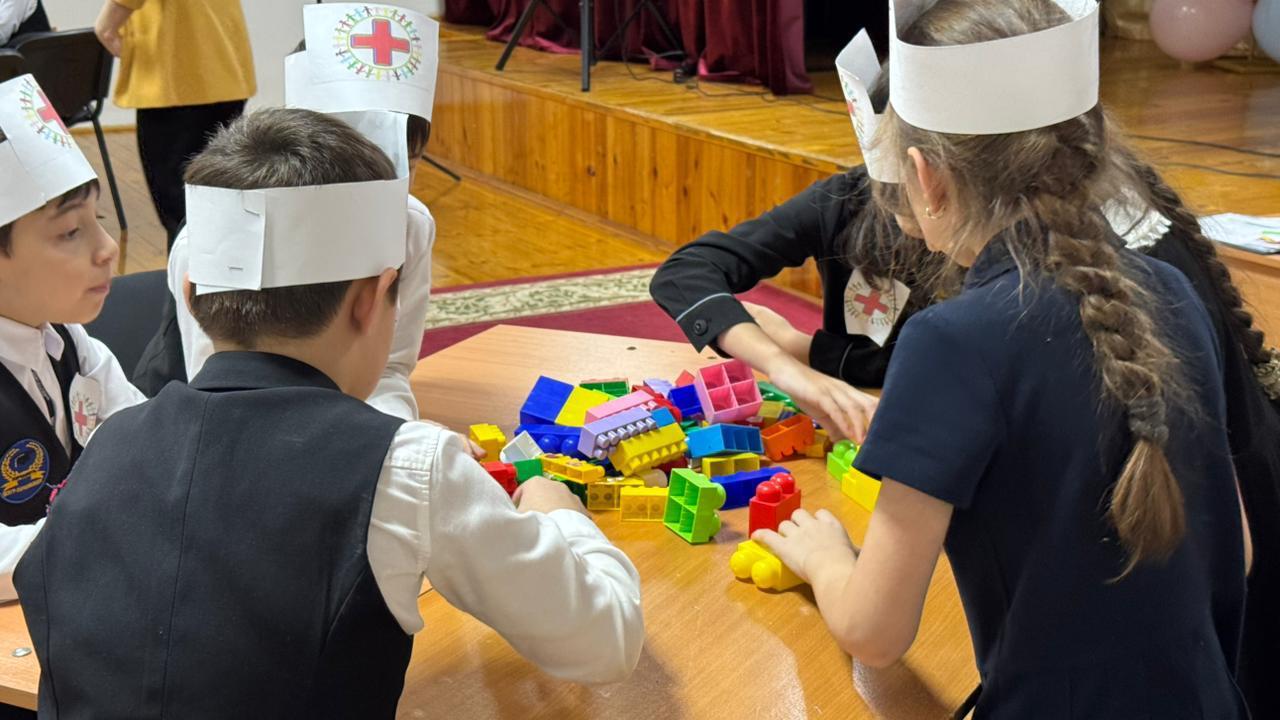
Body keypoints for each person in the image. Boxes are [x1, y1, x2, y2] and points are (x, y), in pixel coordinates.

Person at [14, 108, 644, 718]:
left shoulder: (107, 444)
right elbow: (606, 640)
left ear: (190, 291)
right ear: (372, 300)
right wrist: (561, 513)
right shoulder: (408, 467)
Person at [755, 1, 1252, 716]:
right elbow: (1236, 547)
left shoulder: (951, 341)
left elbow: (874, 631)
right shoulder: (1170, 290)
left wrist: (825, 559)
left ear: (925, 176)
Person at [138, 3, 439, 425]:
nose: (383, 188)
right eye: (360, 172)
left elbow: (390, 370)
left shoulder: (410, 224)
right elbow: (218, 391)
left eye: (406, 165)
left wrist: (390, 438)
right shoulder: (219, 238)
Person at [0, 74, 143, 600]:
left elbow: (148, 447)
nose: (108, 248)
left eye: (98, 218)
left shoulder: (72, 345)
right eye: (70, 232)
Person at [94, 0, 254, 246]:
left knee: (183, 209)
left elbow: (108, 27)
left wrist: (108, 23)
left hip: (177, 72)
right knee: (219, 199)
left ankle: (192, 270)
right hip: (223, 59)